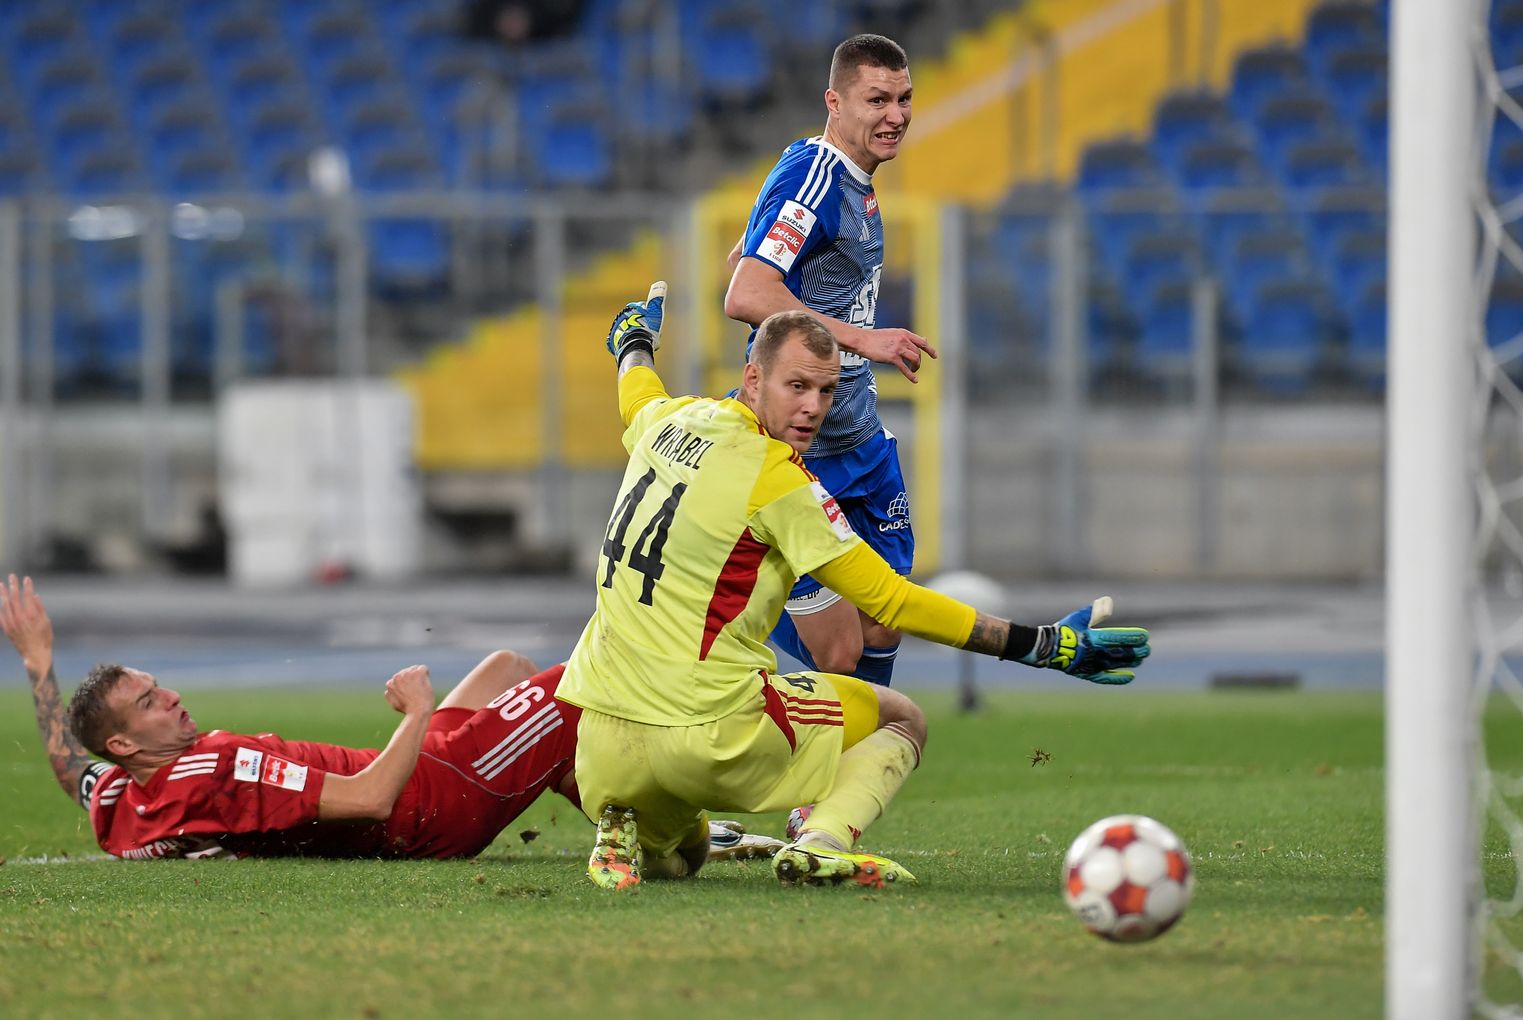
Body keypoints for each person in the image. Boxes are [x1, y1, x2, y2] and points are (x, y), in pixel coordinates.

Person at [556, 286, 1150, 890]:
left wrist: (633, 340)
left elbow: (638, 390)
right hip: (704, 735)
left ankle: (621, 826)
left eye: (827, 390)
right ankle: (820, 843)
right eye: (797, 386)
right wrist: (1040, 645)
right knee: (902, 718)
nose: (813, 408)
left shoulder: (669, 421)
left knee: (684, 859)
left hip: (600, 742)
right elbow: (890, 600)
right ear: (753, 379)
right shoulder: (777, 478)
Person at [0, 574, 780, 862]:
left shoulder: (126, 798)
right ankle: (677, 833)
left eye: (157, 685)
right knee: (589, 680)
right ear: (125, 739)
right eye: (149, 701)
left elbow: (72, 771)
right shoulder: (219, 766)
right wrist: (418, 710)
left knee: (508, 668)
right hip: (433, 801)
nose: (170, 696)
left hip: (416, 775)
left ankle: (625, 824)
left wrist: (39, 665)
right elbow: (372, 800)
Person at [723, 33, 934, 689]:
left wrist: (760, 251)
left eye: (904, 99)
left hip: (860, 441)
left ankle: (858, 757)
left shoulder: (841, 177)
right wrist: (862, 340)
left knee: (885, 623)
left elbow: (748, 257)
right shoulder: (816, 176)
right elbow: (746, 293)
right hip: (802, 452)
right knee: (838, 652)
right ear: (834, 103)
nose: (895, 115)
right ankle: (732, 608)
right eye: (877, 100)